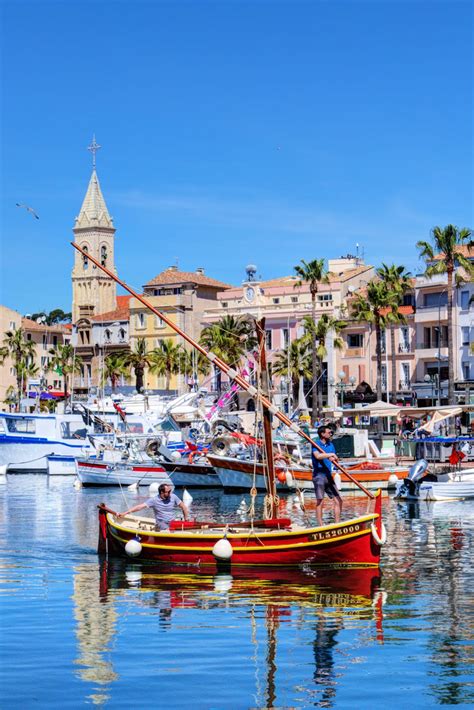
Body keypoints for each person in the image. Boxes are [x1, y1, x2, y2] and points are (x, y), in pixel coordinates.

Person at [118, 483, 189, 531]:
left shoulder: (173, 497)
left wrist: (186, 519)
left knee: (183, 529)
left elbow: (184, 507)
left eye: (170, 490)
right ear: (162, 492)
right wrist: (125, 513)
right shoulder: (154, 500)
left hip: (172, 521)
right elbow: (140, 507)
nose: (170, 492)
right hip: (161, 523)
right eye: (168, 491)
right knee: (167, 530)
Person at [312, 425, 342, 527]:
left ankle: (337, 524)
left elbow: (334, 457)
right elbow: (318, 456)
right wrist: (330, 455)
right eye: (329, 433)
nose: (330, 434)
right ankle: (320, 525)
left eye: (331, 433)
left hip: (328, 475)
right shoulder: (316, 443)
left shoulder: (331, 445)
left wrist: (335, 459)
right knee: (320, 501)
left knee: (338, 499)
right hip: (319, 475)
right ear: (322, 434)